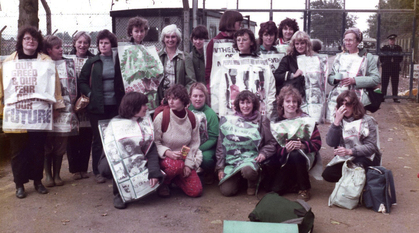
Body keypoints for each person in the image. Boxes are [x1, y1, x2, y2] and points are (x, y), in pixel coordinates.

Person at [0, 26, 65, 198]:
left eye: (34, 39)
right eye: (27, 38)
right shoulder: (8, 63)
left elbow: (55, 86)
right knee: (17, 150)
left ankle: (37, 181)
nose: (31, 42)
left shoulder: (46, 62)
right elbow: (2, 88)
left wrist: (56, 107)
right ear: (21, 41)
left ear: (39, 43)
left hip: (39, 113)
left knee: (37, 149)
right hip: (17, 114)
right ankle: (19, 185)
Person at [98, 92, 164, 209]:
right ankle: (119, 194)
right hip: (118, 161)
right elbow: (111, 152)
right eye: (143, 104)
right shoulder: (115, 124)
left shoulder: (145, 123)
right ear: (133, 106)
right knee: (115, 164)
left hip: (139, 159)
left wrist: (154, 172)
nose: (146, 107)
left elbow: (151, 149)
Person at [78, 29, 125, 183]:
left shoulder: (118, 60)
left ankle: (112, 169)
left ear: (111, 44)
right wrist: (90, 94)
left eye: (106, 43)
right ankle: (97, 171)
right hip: (97, 108)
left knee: (114, 139)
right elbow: (82, 81)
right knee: (99, 140)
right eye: (101, 43)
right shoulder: (92, 62)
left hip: (115, 106)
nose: (103, 45)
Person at [216, 90, 276, 196]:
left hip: (251, 160)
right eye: (242, 103)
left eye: (248, 102)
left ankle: (252, 182)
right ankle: (238, 178)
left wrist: (263, 153)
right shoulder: (229, 121)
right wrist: (220, 168)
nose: (245, 106)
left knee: (248, 171)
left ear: (254, 104)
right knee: (227, 191)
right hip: (233, 161)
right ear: (238, 104)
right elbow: (221, 146)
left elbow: (271, 143)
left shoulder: (262, 120)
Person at [267, 86, 322, 201]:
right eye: (288, 101)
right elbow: (274, 148)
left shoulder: (307, 121)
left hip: (305, 156)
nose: (291, 104)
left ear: (298, 104)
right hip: (284, 159)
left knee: (296, 153)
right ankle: (293, 183)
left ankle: (304, 188)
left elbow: (317, 143)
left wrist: (303, 146)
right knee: (275, 190)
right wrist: (285, 149)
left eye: (294, 101)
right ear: (282, 103)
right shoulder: (277, 122)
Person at [153, 84, 203, 197]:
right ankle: (164, 183)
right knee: (175, 166)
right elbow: (155, 142)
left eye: (175, 98)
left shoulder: (192, 118)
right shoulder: (162, 117)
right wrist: (167, 152)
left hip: (183, 159)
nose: (171, 102)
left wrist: (188, 165)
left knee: (196, 191)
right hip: (165, 159)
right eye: (169, 98)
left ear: (183, 100)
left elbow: (193, 143)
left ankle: (175, 178)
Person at [322, 90, 381, 182]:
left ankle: (358, 185)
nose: (345, 108)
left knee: (356, 169)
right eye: (342, 105)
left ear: (354, 105)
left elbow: (371, 147)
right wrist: (336, 122)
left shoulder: (367, 120)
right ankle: (351, 183)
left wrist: (350, 151)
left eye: (348, 104)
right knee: (328, 174)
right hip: (346, 157)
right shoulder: (339, 120)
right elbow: (330, 142)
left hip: (365, 157)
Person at [326, 27, 380, 122]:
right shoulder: (339, 57)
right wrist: (335, 79)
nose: (347, 43)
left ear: (358, 42)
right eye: (345, 40)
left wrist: (355, 80)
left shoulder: (367, 57)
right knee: (337, 126)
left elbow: (376, 79)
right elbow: (330, 77)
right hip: (338, 98)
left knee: (355, 127)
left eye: (350, 40)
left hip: (357, 99)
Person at [43, 35, 76, 187]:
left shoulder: (68, 63)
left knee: (61, 142)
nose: (61, 49)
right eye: (57, 47)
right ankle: (48, 175)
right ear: (49, 50)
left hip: (66, 109)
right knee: (47, 143)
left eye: (61, 46)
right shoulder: (42, 64)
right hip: (47, 109)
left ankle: (57, 174)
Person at [274, 31, 327, 122]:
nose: (300, 46)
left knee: (311, 124)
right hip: (295, 100)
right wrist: (292, 75)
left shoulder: (315, 59)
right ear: (293, 45)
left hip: (312, 99)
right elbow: (276, 76)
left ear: (307, 44)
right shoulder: (288, 59)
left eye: (302, 43)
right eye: (297, 44)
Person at [67, 31, 94, 180]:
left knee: (86, 136)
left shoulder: (93, 60)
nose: (82, 45)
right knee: (72, 138)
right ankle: (74, 169)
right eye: (80, 42)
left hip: (87, 103)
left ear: (89, 45)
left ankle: (83, 168)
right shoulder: (68, 60)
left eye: (85, 43)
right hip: (72, 103)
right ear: (74, 43)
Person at [188, 82, 219, 184]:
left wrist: (198, 149)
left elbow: (214, 138)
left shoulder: (211, 114)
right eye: (195, 96)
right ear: (190, 97)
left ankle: (208, 171)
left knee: (205, 159)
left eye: (201, 96)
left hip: (205, 146)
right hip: (188, 145)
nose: (198, 99)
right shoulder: (186, 111)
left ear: (205, 97)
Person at [205, 10, 243, 90]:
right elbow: (209, 67)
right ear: (231, 22)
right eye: (238, 22)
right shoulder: (214, 43)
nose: (240, 25)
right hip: (217, 85)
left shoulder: (239, 41)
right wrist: (208, 86)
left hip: (237, 84)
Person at [157, 24, 195, 105]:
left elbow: (191, 81)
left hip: (178, 101)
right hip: (161, 101)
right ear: (163, 39)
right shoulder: (157, 56)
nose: (170, 39)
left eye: (173, 37)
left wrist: (183, 97)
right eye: (167, 37)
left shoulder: (185, 57)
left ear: (178, 39)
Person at [380, 34, 403, 103]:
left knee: (395, 83)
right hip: (386, 68)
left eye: (393, 40)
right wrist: (384, 63)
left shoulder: (398, 48)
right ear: (388, 40)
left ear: (395, 40)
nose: (392, 41)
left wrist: (396, 62)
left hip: (395, 68)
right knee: (384, 82)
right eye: (391, 40)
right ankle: (383, 97)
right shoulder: (384, 48)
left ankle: (395, 97)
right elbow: (381, 57)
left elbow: (401, 57)